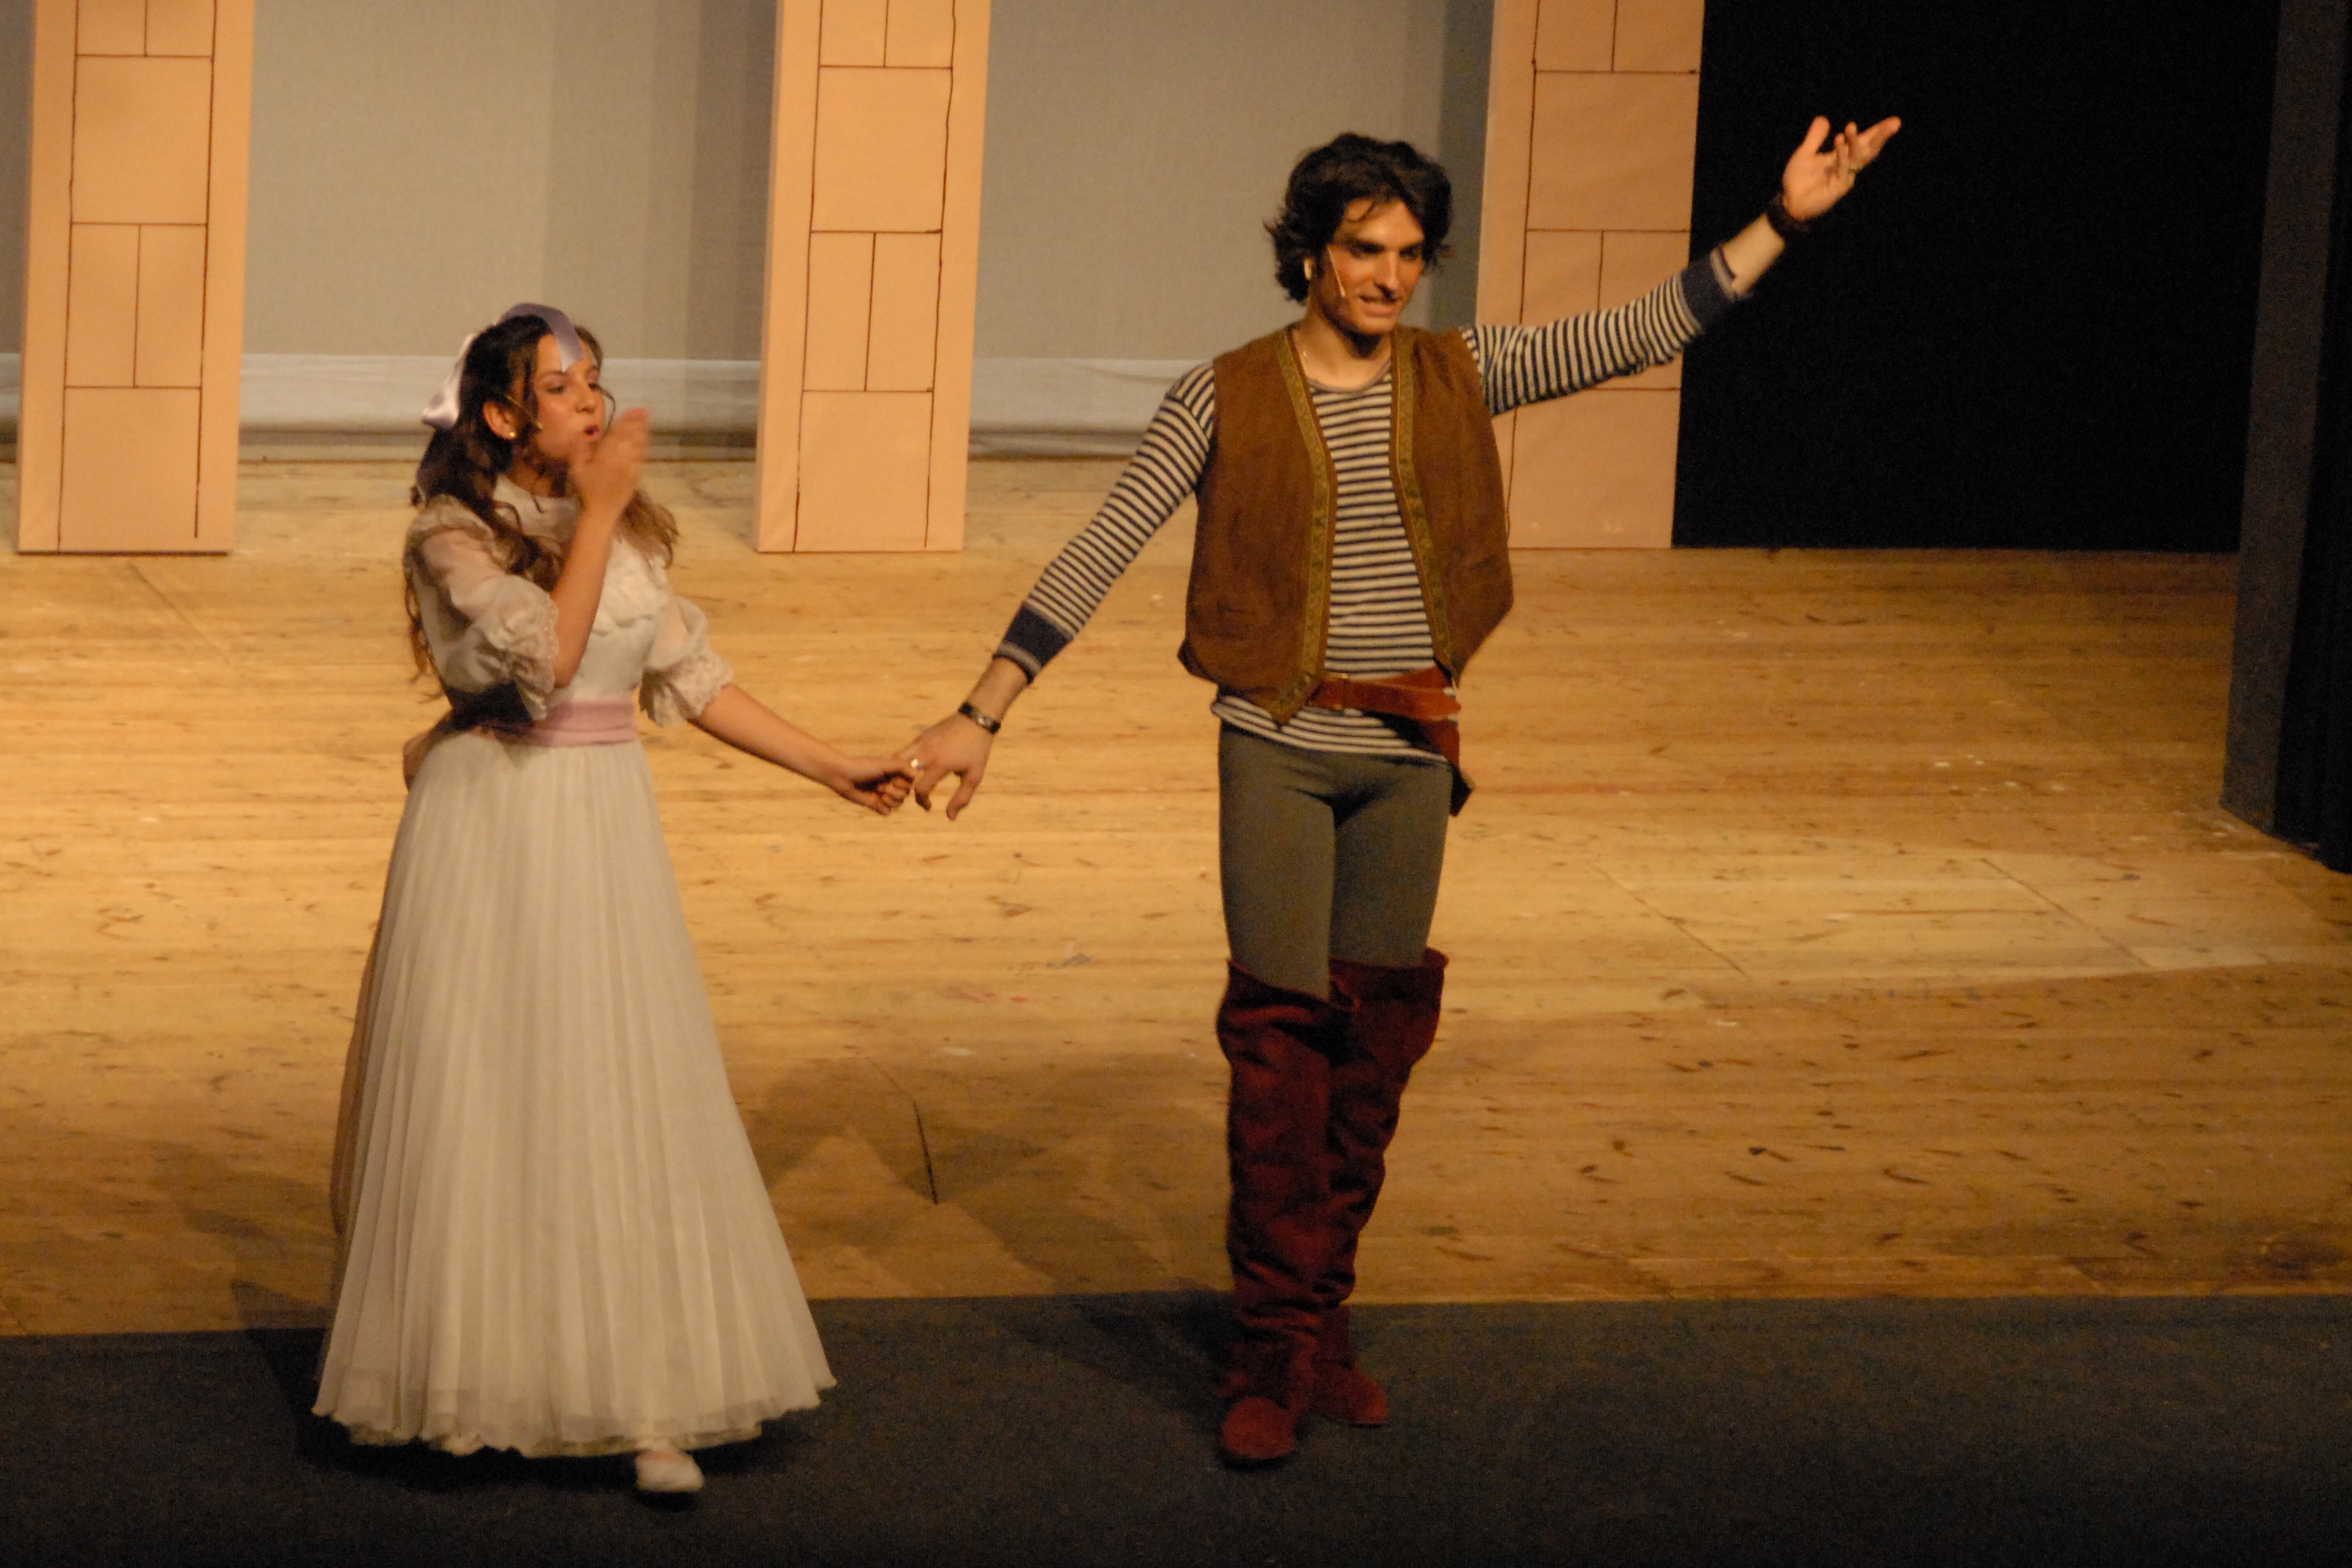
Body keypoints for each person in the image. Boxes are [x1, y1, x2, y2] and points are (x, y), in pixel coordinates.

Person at [898, 117, 1901, 1465]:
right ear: (1311, 253)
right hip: (1277, 738)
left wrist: (1780, 219)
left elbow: (1641, 330)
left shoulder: (1455, 372)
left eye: (1410, 253)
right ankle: (1266, 1346)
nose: (1387, 276)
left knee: (1370, 1059)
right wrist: (982, 711)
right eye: (1364, 249)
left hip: (1409, 751)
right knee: (1280, 1050)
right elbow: (1102, 544)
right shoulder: (1222, 394)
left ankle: (1319, 1318)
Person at [316, 305, 910, 1493]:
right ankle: (490, 1377)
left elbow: (686, 673)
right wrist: (595, 514)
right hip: (498, 826)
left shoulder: (621, 529)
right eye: (561, 386)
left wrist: (830, 766)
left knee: (618, 1088)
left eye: (594, 381)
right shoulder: (452, 535)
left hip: (603, 825)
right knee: (506, 1095)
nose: (590, 401)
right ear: (503, 416)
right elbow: (542, 662)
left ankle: (647, 1395)